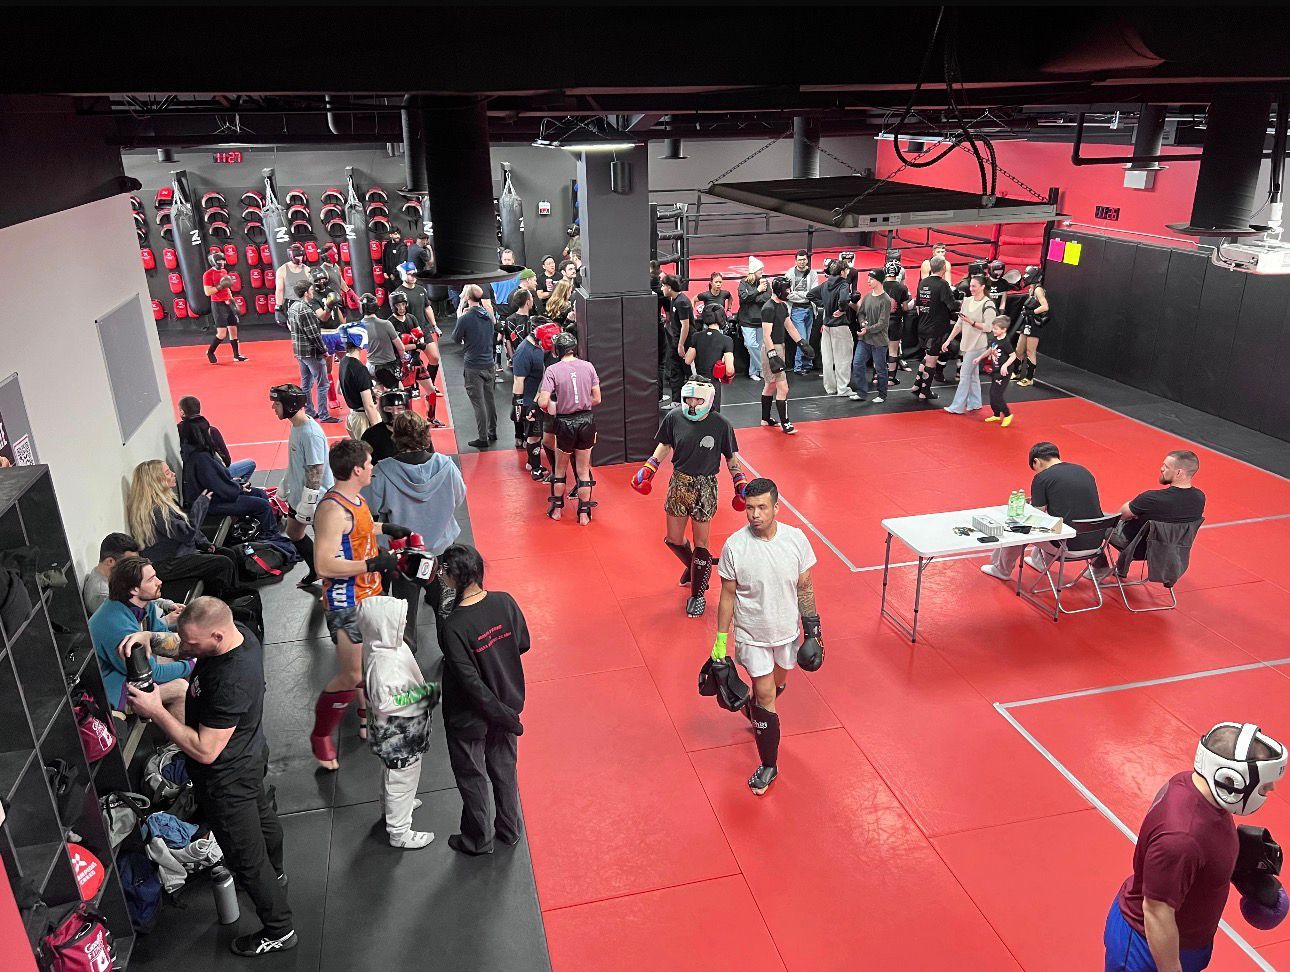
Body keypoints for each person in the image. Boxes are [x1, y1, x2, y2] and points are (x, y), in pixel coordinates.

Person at [122, 597, 297, 957]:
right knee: (264, 820)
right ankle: (276, 875)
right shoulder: (238, 633)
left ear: (216, 636)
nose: (185, 647)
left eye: (192, 643)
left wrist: (156, 710)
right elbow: (182, 642)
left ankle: (280, 930)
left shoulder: (232, 682)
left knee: (246, 860)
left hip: (227, 779)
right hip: (249, 759)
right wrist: (149, 638)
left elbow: (205, 750)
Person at [1106, 722, 1286, 972]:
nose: (1271, 788)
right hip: (1147, 949)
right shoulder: (1180, 839)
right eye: (1264, 784)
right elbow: (1156, 913)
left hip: (1183, 941)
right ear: (1230, 780)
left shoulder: (1199, 790)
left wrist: (1230, 862)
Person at [714, 478, 820, 795]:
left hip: (786, 633)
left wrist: (813, 631)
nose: (755, 515)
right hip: (752, 634)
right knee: (765, 694)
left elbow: (805, 587)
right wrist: (720, 641)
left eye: (762, 507)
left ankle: (754, 710)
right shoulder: (735, 546)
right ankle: (769, 764)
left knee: (778, 683)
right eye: (750, 508)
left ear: (776, 507)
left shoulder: (796, 540)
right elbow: (727, 596)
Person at [310, 438, 409, 770]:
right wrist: (371, 564)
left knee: (373, 662)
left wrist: (386, 528)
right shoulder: (332, 510)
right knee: (351, 674)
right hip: (346, 601)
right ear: (356, 470)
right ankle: (321, 734)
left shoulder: (356, 499)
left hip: (370, 594)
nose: (372, 468)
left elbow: (359, 530)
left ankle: (367, 715)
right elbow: (323, 565)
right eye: (369, 464)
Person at [437, 543, 529, 855]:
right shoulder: (505, 601)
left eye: (443, 571)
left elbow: (471, 684)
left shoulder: (454, 626)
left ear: (453, 576)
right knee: (504, 770)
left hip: (469, 717)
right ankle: (510, 830)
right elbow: (522, 643)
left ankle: (478, 840)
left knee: (472, 775)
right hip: (506, 705)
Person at [631, 379, 747, 617]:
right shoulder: (674, 417)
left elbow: (731, 457)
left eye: (697, 399)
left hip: (705, 485)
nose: (692, 404)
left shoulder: (721, 424)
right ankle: (694, 567)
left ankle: (698, 594)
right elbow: (665, 445)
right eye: (688, 399)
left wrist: (739, 481)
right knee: (673, 539)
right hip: (679, 482)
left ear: (708, 400)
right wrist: (649, 468)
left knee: (701, 543)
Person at [364, 410, 466, 653]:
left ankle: (408, 660)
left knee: (405, 614)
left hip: (404, 556)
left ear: (396, 437)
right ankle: (452, 654)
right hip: (440, 551)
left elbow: (370, 508)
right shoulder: (446, 465)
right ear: (425, 435)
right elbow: (459, 497)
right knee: (445, 607)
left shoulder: (383, 471)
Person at [357, 595, 438, 850]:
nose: (403, 623)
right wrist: (423, 696)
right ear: (383, 625)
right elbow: (385, 702)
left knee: (394, 775)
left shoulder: (380, 646)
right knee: (402, 778)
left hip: (396, 733)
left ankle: (393, 807)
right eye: (397, 620)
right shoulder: (385, 662)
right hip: (399, 735)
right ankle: (399, 831)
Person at [980, 441, 1104, 581]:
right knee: (1058, 520)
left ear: (1036, 461)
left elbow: (1035, 515)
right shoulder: (1083, 471)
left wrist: (1029, 506)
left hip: (1066, 546)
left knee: (1019, 527)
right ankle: (1038, 561)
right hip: (1096, 544)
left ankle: (1001, 569)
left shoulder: (1042, 478)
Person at [88, 556, 190, 717]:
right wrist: (191, 663)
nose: (159, 581)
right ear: (134, 590)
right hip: (115, 693)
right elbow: (153, 673)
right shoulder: (117, 625)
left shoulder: (144, 604)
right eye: (151, 579)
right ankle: (181, 734)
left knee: (189, 656)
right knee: (181, 688)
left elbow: (161, 635)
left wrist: (189, 650)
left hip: (132, 673)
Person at [126, 460, 237, 600]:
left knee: (228, 553)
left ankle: (234, 594)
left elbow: (185, 525)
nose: (173, 474)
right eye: (168, 473)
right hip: (167, 564)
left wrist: (203, 542)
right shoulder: (157, 511)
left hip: (177, 554)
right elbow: (187, 533)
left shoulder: (165, 502)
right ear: (156, 481)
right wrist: (201, 504)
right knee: (222, 563)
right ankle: (221, 602)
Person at [271, 383, 334, 588]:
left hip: (317, 500)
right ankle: (316, 569)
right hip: (299, 495)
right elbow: (298, 462)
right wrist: (287, 482)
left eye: (277, 404)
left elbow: (316, 470)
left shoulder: (310, 434)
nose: (273, 408)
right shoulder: (296, 426)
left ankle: (332, 582)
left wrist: (308, 503)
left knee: (325, 545)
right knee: (294, 533)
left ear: (289, 405)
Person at [178, 418, 281, 540]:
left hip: (216, 496)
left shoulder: (196, 454)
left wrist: (236, 485)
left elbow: (217, 482)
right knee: (263, 505)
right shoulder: (202, 458)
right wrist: (239, 488)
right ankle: (271, 536)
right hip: (212, 503)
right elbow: (219, 487)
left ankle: (265, 529)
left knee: (260, 493)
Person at [537, 332, 601, 523]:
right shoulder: (588, 366)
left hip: (565, 422)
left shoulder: (552, 370)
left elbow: (543, 401)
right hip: (586, 421)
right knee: (583, 470)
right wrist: (581, 403)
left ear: (557, 350)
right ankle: (584, 515)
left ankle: (557, 511)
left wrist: (557, 407)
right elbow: (597, 398)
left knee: (559, 470)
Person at [1111, 451, 1207, 556]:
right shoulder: (1200, 498)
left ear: (1179, 473)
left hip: (1136, 546)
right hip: (1171, 551)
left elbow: (1121, 515)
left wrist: (1135, 506)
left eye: (1166, 467)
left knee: (1098, 522)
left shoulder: (1151, 498)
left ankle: (1101, 564)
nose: (1162, 468)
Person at [759, 276, 813, 434]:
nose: (789, 292)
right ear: (778, 290)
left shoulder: (782, 306)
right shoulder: (768, 308)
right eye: (787, 289)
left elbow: (789, 326)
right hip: (771, 348)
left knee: (770, 385)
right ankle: (785, 422)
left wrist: (802, 343)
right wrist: (772, 355)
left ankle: (765, 419)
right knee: (783, 387)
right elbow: (766, 335)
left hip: (779, 347)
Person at [83, 532, 180, 617]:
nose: (134, 566)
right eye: (129, 561)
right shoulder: (103, 596)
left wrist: (166, 605)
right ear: (110, 561)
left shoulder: (113, 577)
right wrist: (167, 620)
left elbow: (141, 598)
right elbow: (133, 623)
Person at [941, 274, 997, 415]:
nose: (971, 288)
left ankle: (958, 406)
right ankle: (975, 402)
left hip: (978, 344)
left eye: (974, 286)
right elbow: (959, 324)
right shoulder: (966, 301)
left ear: (982, 287)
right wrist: (948, 340)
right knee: (972, 375)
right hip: (966, 343)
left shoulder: (988, 304)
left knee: (965, 375)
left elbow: (989, 327)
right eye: (970, 285)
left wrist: (971, 322)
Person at [287, 278, 339, 424]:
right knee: (323, 384)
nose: (312, 292)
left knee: (306, 383)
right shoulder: (305, 310)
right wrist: (324, 350)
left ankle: (309, 411)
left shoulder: (293, 306)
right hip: (311, 352)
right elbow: (314, 335)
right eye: (310, 290)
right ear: (305, 293)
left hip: (300, 352)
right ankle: (324, 414)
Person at [454, 284, 499, 450]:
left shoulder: (465, 318)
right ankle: (492, 431)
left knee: (478, 403)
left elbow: (456, 339)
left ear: (467, 297)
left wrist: (461, 315)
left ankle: (482, 437)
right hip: (489, 363)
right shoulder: (488, 316)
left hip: (473, 365)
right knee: (490, 399)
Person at [910, 256, 959, 402]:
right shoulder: (943, 284)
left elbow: (918, 305)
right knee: (932, 360)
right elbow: (952, 305)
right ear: (944, 267)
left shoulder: (923, 282)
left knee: (927, 357)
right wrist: (962, 303)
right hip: (935, 329)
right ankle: (925, 392)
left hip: (922, 326)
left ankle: (917, 385)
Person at [178, 397, 254, 482]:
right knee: (251, 463)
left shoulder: (178, 430)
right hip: (215, 475)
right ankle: (239, 485)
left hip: (194, 478)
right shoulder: (211, 431)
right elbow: (227, 461)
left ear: (182, 412)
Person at [808, 260, 854, 397]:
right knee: (843, 358)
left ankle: (830, 387)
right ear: (842, 271)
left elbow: (810, 294)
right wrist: (842, 310)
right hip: (840, 326)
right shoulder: (844, 284)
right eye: (847, 270)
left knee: (827, 359)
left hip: (827, 325)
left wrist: (824, 305)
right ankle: (843, 388)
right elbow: (844, 300)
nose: (848, 272)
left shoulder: (826, 283)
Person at [510, 315, 548, 477]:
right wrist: (519, 405)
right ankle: (535, 468)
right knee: (534, 436)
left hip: (539, 397)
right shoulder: (524, 351)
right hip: (529, 401)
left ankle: (531, 462)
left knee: (539, 435)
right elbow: (518, 380)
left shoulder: (539, 347)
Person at [850, 269, 891, 405]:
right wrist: (863, 323)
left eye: (871, 279)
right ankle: (861, 392)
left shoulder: (885, 300)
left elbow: (882, 323)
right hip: (865, 339)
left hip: (879, 341)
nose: (868, 281)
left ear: (879, 281)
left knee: (880, 368)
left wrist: (866, 329)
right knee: (857, 363)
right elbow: (861, 313)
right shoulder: (867, 297)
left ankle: (882, 394)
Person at [684, 304, 736, 411]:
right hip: (713, 384)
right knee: (713, 415)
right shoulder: (726, 340)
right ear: (721, 317)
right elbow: (729, 370)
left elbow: (688, 360)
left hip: (698, 382)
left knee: (698, 412)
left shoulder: (696, 336)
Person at [334, 324, 381, 439]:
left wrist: (370, 392)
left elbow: (339, 390)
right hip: (363, 419)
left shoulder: (344, 361)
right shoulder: (359, 368)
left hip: (352, 418)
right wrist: (378, 431)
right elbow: (369, 406)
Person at [202, 250, 247, 364]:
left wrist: (232, 301)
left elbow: (227, 288)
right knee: (222, 333)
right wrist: (220, 286)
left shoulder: (224, 271)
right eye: (219, 261)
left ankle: (236, 355)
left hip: (227, 302)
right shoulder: (208, 274)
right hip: (218, 304)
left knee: (233, 329)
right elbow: (208, 292)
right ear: (213, 262)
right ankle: (210, 352)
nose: (222, 263)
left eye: (223, 260)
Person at [357, 293, 404, 391]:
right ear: (375, 307)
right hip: (387, 367)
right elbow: (401, 348)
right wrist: (403, 361)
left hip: (370, 366)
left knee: (379, 394)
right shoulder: (386, 324)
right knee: (399, 392)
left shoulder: (358, 327)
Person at [660, 274, 693, 407]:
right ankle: (676, 401)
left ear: (669, 287)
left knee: (688, 372)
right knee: (675, 371)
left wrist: (681, 345)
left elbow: (686, 325)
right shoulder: (674, 300)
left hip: (685, 343)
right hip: (676, 341)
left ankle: (695, 401)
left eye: (663, 286)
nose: (661, 288)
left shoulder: (682, 302)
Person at [1013, 265, 1049, 387]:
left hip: (1034, 323)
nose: (1025, 276)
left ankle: (1029, 378)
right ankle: (1016, 372)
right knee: (1019, 349)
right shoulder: (1031, 289)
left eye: (1028, 274)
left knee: (1030, 351)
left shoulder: (1038, 290)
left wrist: (1032, 312)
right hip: (1027, 322)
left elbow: (1045, 307)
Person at [784, 250, 819, 374]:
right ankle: (798, 366)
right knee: (801, 339)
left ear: (807, 260)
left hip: (810, 309)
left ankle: (807, 364)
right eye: (799, 260)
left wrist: (798, 294)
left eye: (804, 259)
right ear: (796, 261)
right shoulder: (789, 274)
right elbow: (788, 294)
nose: (802, 262)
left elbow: (813, 293)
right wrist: (805, 296)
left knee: (806, 339)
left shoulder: (813, 273)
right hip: (796, 310)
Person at [883, 261, 914, 387]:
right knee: (893, 351)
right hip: (895, 322)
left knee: (879, 349)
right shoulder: (902, 288)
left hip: (881, 322)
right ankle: (891, 378)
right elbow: (905, 308)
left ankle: (876, 376)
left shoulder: (880, 285)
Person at [736, 256, 768, 380]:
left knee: (759, 347)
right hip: (747, 320)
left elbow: (767, 297)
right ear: (753, 271)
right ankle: (762, 368)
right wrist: (758, 291)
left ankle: (753, 371)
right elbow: (743, 298)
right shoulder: (743, 282)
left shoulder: (764, 282)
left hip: (761, 319)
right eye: (760, 269)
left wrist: (752, 297)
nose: (762, 271)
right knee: (750, 345)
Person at [983, 317, 1018, 426]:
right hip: (996, 370)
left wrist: (1005, 366)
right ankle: (996, 414)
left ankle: (1007, 415)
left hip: (1003, 373)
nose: (993, 330)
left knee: (997, 394)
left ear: (1003, 330)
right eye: (993, 328)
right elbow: (991, 349)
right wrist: (979, 358)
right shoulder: (995, 338)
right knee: (992, 394)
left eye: (996, 329)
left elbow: (1013, 356)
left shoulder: (1005, 342)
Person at [274, 241, 312, 323]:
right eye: (298, 256)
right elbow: (279, 290)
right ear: (291, 256)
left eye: (301, 256)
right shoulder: (282, 270)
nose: (300, 259)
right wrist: (278, 308)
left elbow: (311, 290)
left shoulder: (307, 270)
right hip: (290, 304)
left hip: (304, 303)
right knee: (293, 327)